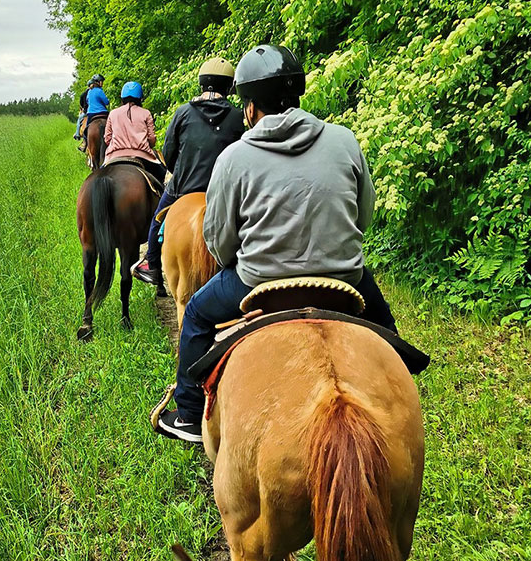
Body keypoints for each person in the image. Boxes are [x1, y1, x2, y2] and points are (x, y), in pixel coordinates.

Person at [154, 44, 397, 443]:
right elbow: (364, 217)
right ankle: (401, 370)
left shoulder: (235, 157)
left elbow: (218, 243)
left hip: (258, 282)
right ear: (298, 93)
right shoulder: (344, 140)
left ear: (249, 108)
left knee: (196, 313)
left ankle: (188, 413)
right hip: (344, 278)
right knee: (389, 333)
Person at [131, 57, 244, 286]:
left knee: (157, 220)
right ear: (229, 86)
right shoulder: (238, 116)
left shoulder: (183, 112)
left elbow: (168, 152)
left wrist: (180, 173)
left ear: (201, 84)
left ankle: (152, 264)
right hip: (223, 191)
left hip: (184, 187)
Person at [103, 81, 166, 182]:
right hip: (143, 156)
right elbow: (152, 139)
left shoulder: (113, 113)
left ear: (122, 98)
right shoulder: (146, 113)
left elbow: (107, 139)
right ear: (140, 98)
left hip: (114, 156)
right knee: (166, 180)